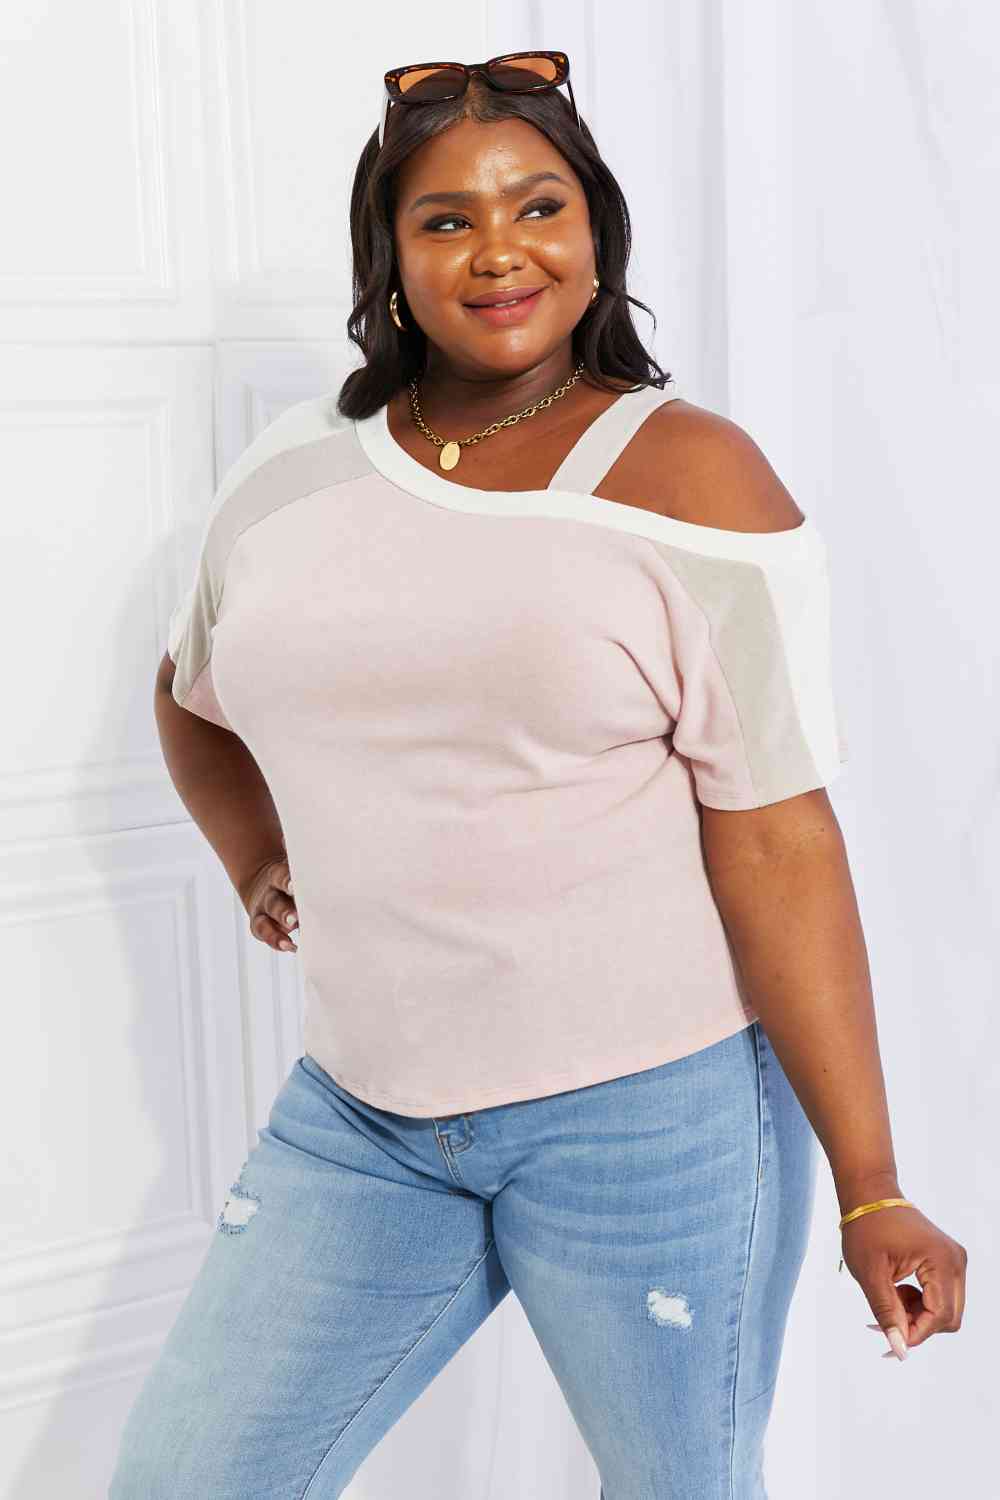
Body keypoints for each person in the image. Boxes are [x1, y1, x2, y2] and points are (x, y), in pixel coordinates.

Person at [109, 51, 966, 1500]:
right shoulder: (290, 475)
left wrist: (872, 1185)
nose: (498, 249)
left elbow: (781, 840)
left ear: (597, 235)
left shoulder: (696, 477)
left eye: (539, 206)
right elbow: (190, 692)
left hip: (653, 1122)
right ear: (390, 260)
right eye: (445, 219)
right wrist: (255, 854)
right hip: (363, 1119)